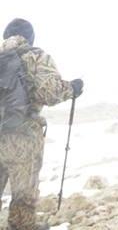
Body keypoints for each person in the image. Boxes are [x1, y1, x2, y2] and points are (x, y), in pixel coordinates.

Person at [0, 18, 83, 230]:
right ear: (30, 37)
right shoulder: (36, 56)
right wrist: (72, 89)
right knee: (23, 194)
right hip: (22, 136)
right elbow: (50, 92)